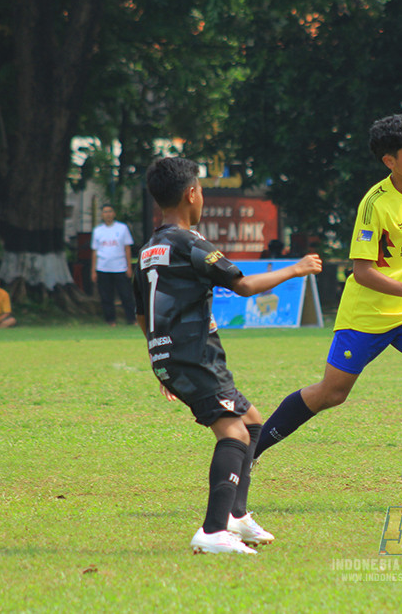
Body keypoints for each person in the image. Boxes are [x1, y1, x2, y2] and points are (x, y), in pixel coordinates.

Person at [252, 113, 402, 496]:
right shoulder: (374, 204)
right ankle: (248, 450)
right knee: (331, 394)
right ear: (389, 161)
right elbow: (363, 272)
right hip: (367, 314)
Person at [133, 157, 322, 555]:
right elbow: (245, 285)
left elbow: (140, 314)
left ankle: (236, 516)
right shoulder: (189, 243)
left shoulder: (149, 249)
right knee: (233, 433)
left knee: (251, 422)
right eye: (200, 189)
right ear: (191, 194)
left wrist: (161, 361)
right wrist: (297, 268)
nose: (201, 196)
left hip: (175, 355)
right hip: (194, 356)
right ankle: (214, 530)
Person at [91, 204, 136, 326]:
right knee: (106, 296)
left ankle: (132, 319)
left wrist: (129, 267)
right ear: (102, 214)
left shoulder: (122, 228)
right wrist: (93, 271)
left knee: (126, 295)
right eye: (105, 212)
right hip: (103, 267)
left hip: (120, 267)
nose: (108, 214)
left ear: (114, 213)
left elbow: (127, 248)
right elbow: (94, 252)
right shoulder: (98, 231)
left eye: (110, 211)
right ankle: (110, 320)